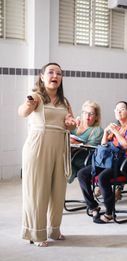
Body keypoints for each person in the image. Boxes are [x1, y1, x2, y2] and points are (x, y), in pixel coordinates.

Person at [18, 62, 77, 247]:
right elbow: (22, 112)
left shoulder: (64, 102)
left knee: (58, 191)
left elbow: (71, 122)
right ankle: (36, 233)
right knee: (37, 191)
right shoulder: (36, 97)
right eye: (51, 72)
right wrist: (28, 105)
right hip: (38, 147)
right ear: (42, 76)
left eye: (59, 73)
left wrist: (71, 123)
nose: (55, 75)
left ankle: (54, 229)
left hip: (59, 147)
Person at [77, 101, 127, 224]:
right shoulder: (114, 126)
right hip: (111, 161)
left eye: (122, 109)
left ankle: (109, 213)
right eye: (116, 109)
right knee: (82, 174)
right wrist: (106, 132)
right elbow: (103, 146)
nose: (118, 111)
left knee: (102, 177)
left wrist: (116, 132)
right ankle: (93, 207)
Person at [68, 100, 104, 183]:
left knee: (59, 161)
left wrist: (73, 142)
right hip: (69, 154)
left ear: (96, 117)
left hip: (85, 158)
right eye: (85, 113)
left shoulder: (97, 130)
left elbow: (89, 147)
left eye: (91, 114)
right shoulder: (75, 125)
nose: (87, 116)